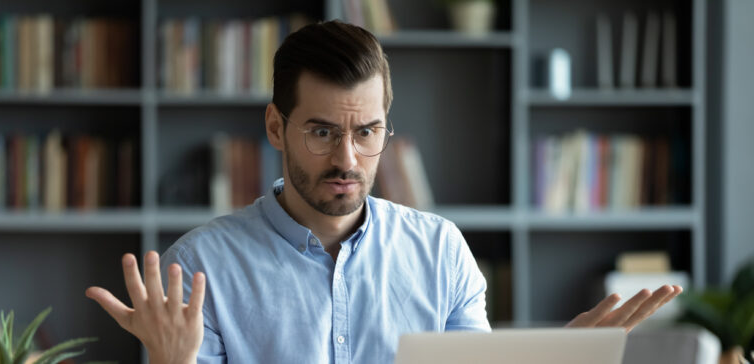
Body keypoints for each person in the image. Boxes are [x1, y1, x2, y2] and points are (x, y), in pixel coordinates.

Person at [85, 20, 682, 364]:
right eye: (321, 132)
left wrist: (545, 363)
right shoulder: (202, 268)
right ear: (276, 127)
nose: (348, 159)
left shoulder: (441, 250)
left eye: (367, 132)